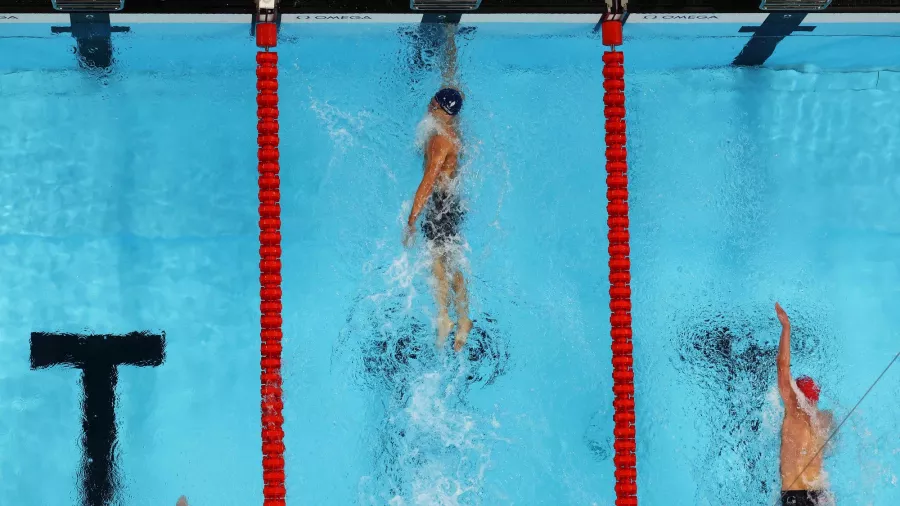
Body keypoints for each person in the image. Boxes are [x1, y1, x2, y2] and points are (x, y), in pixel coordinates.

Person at [403, 24, 472, 352]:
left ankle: (446, 316)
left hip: (441, 204)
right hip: (454, 199)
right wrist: (449, 40)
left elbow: (427, 181)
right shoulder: (453, 126)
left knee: (437, 260)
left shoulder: (437, 140)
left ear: (436, 107)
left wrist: (412, 220)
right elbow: (452, 78)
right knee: (453, 258)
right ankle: (463, 316)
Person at [775, 302, 833, 506]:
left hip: (795, 497)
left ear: (798, 393)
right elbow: (832, 449)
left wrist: (786, 328)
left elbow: (782, 367)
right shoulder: (825, 419)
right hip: (822, 497)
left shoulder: (793, 409)